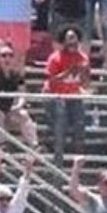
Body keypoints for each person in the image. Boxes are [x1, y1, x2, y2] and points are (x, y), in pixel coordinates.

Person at [0, 39, 39, 147]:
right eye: (3, 55)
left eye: (10, 55)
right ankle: (2, 144)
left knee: (23, 115)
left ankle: (34, 146)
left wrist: (18, 105)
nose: (7, 58)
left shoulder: (16, 75)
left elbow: (22, 94)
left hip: (8, 110)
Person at [43, 25, 90, 155]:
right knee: (60, 125)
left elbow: (85, 83)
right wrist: (68, 71)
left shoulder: (83, 57)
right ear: (63, 40)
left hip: (74, 96)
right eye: (68, 38)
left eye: (73, 37)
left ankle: (78, 156)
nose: (71, 41)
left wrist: (84, 73)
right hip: (57, 97)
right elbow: (51, 81)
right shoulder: (55, 58)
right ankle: (58, 154)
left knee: (80, 125)